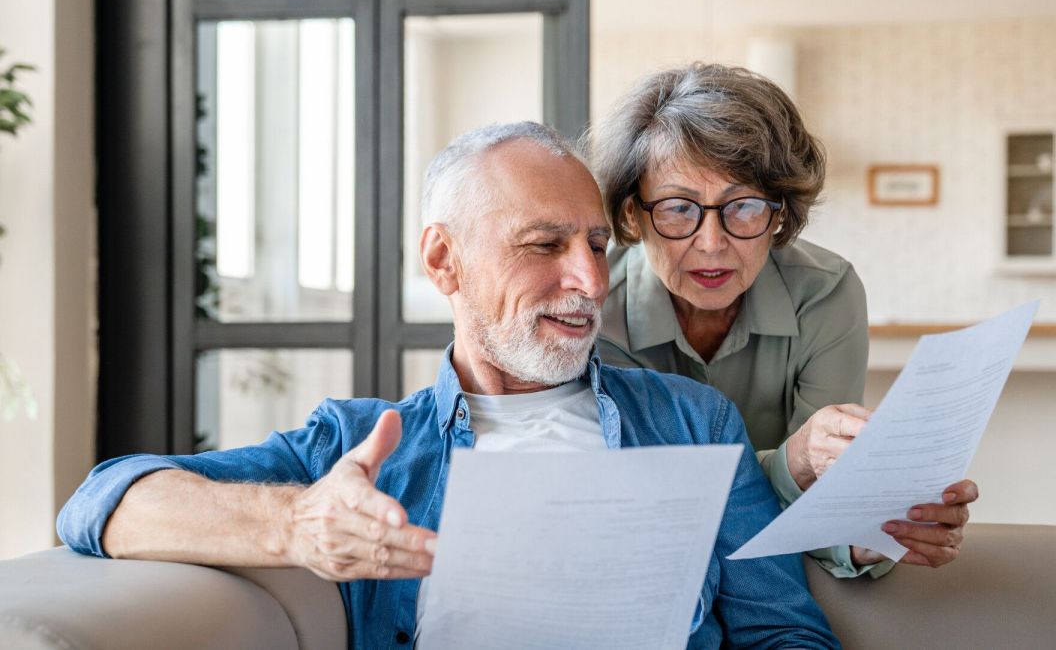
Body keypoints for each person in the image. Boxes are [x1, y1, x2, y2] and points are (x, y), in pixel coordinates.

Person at [58, 122, 840, 649]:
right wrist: (297, 522)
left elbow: (786, 631)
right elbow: (100, 501)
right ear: (443, 261)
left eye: (598, 244)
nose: (589, 279)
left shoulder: (695, 421)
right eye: (545, 244)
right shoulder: (359, 448)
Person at [590, 63, 978, 578]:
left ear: (780, 216)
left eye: (745, 207)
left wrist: (868, 536)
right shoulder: (594, 308)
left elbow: (829, 502)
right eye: (679, 208)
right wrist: (791, 464)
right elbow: (648, 505)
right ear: (634, 215)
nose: (711, 243)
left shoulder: (826, 293)